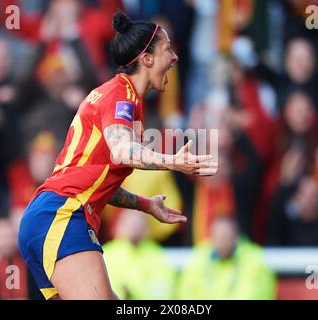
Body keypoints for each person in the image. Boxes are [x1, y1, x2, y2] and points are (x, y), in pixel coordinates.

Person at [18, 12, 218, 300]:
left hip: (49, 216)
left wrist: (143, 204)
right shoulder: (120, 96)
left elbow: (97, 176)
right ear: (147, 60)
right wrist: (172, 161)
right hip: (62, 216)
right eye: (168, 49)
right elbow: (122, 150)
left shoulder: (120, 97)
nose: (174, 57)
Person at [176, 215, 276, 300]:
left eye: (225, 237)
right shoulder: (200, 256)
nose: (221, 242)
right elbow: (185, 293)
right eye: (218, 237)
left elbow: (255, 295)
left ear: (235, 237)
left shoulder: (253, 259)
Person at [103, 209, 175, 299]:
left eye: (137, 225)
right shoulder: (107, 253)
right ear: (119, 226)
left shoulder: (156, 254)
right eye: (129, 225)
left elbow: (163, 292)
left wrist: (133, 293)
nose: (134, 229)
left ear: (146, 228)